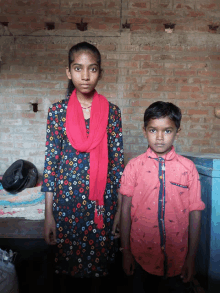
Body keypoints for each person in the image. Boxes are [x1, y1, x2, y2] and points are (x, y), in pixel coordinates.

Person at [41, 42, 124, 292]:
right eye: (78, 68)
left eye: (92, 68)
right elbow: (51, 165)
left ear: (100, 72)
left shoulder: (112, 113)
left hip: (102, 206)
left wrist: (120, 211)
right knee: (66, 276)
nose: (85, 76)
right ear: (69, 72)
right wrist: (48, 216)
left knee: (101, 276)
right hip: (66, 206)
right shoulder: (57, 112)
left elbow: (118, 165)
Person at [120, 101, 205, 293]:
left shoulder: (188, 168)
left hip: (178, 259)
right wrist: (125, 251)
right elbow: (125, 209)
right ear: (144, 131)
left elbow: (195, 213)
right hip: (140, 257)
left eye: (167, 131)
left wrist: (191, 258)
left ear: (177, 131)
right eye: (153, 130)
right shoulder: (133, 167)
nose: (159, 138)